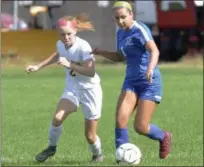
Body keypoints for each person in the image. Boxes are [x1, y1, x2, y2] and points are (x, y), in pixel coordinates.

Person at [91, 1, 172, 161]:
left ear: (131, 15)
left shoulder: (140, 29)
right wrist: (101, 52)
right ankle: (121, 159)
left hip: (149, 82)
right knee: (121, 119)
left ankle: (163, 136)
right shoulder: (120, 33)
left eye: (123, 17)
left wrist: (150, 68)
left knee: (140, 127)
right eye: (117, 18)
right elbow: (120, 57)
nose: (120, 21)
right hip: (131, 82)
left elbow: (154, 50)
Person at [25, 14, 103, 163]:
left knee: (90, 136)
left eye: (69, 34)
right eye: (62, 34)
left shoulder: (83, 46)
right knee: (57, 117)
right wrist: (38, 66)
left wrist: (70, 65)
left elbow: (91, 71)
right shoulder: (60, 44)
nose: (66, 37)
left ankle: (97, 154)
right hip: (72, 87)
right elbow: (57, 55)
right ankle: (51, 147)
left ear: (75, 32)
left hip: (90, 90)